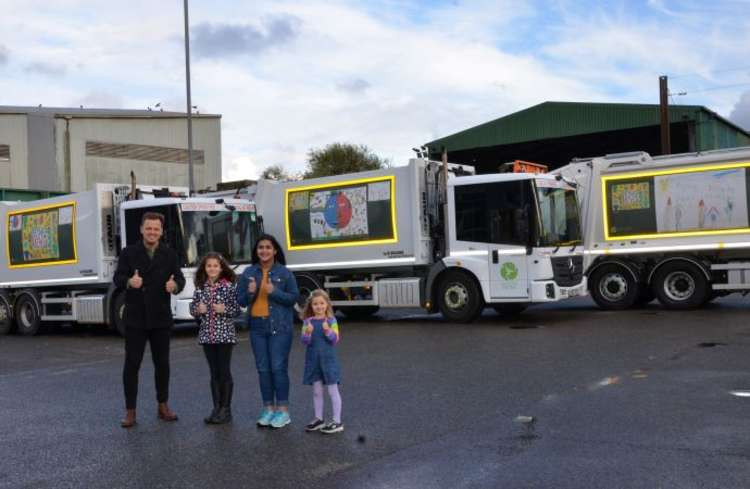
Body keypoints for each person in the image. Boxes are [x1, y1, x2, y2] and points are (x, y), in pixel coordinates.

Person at [113, 212, 186, 428]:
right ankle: (130, 411)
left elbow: (179, 278)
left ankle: (163, 405)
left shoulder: (170, 254)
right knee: (132, 364)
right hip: (136, 318)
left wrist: (176, 286)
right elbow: (117, 278)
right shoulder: (128, 253)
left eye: (156, 229)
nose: (152, 232)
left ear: (161, 231)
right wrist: (129, 282)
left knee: (162, 364)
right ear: (142, 230)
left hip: (160, 317)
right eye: (149, 228)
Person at [237, 234, 299, 429]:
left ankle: (283, 411)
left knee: (278, 368)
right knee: (263, 370)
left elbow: (293, 298)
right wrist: (250, 291)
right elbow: (241, 301)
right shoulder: (248, 272)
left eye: (268, 247)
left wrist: (274, 292)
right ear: (257, 251)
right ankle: (268, 409)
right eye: (260, 247)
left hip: (280, 328)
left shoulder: (285, 273)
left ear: (274, 251)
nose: (264, 251)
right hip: (257, 328)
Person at [189, 252, 240, 425]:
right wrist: (197, 310)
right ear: (205, 268)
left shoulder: (228, 287)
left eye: (215, 266)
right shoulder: (201, 288)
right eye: (209, 266)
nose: (212, 269)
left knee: (224, 372)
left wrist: (224, 308)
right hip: (207, 336)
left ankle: (226, 410)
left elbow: (237, 310)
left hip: (224, 336)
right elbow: (192, 308)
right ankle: (216, 408)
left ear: (221, 268)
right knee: (214, 373)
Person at [300, 290, 344, 434]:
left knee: (333, 391)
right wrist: (308, 332)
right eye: (315, 304)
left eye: (321, 303)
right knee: (317, 392)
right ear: (311, 306)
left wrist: (327, 331)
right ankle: (319, 419)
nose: (319, 306)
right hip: (313, 361)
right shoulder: (308, 322)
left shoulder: (331, 321)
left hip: (328, 361)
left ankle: (337, 421)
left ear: (327, 305)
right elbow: (304, 341)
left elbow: (335, 340)